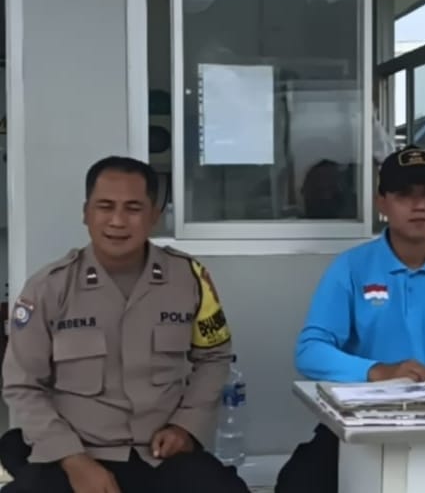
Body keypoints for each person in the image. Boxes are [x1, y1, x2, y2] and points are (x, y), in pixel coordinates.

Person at [275, 145, 425, 493]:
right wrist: (379, 371)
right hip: (361, 423)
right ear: (382, 202)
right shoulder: (351, 268)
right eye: (404, 194)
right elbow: (310, 352)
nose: (419, 205)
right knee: (298, 484)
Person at [0, 156, 249, 493]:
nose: (117, 221)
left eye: (133, 208)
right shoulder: (49, 288)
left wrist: (186, 426)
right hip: (76, 453)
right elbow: (23, 385)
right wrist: (73, 460)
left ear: (154, 217)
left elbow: (214, 357)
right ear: (86, 213)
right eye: (105, 207)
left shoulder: (188, 279)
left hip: (161, 454)